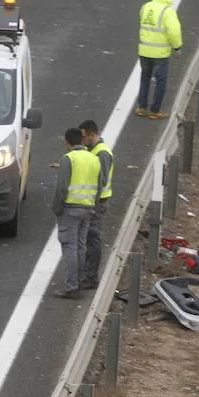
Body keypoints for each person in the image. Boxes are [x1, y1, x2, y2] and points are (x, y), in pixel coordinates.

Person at [51, 128, 102, 299]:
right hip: (87, 209)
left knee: (70, 247)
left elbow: (61, 188)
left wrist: (57, 209)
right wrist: (93, 206)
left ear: (67, 142)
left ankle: (71, 287)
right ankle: (79, 280)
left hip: (70, 209)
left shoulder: (69, 159)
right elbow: (99, 186)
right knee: (81, 246)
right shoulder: (94, 159)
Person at [136, 0, 183, 120]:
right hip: (160, 54)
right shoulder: (168, 12)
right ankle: (154, 111)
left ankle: (141, 107)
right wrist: (177, 47)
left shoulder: (145, 7)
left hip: (144, 51)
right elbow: (173, 31)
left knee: (145, 78)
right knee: (160, 82)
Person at [79, 119, 113, 291]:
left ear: (92, 135)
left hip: (97, 203)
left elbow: (102, 179)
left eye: (83, 136)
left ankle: (91, 277)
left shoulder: (102, 153)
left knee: (92, 240)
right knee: (88, 239)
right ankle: (87, 274)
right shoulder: (92, 150)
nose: (81, 140)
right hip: (92, 201)